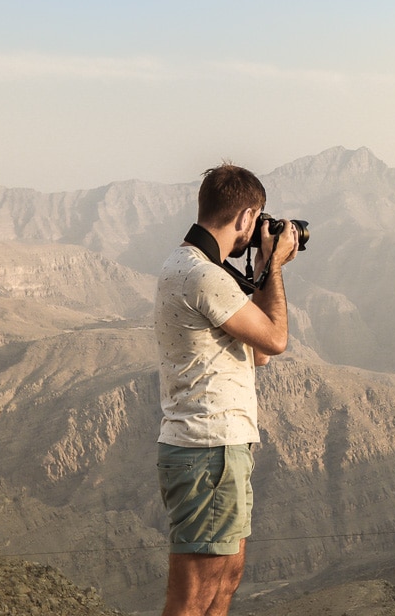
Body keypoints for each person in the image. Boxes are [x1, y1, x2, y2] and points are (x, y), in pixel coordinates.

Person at [154, 163, 299, 616]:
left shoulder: (201, 269)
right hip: (206, 451)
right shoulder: (204, 275)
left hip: (219, 450)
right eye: (257, 222)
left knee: (225, 582)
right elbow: (277, 338)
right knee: (194, 597)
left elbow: (258, 354)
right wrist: (272, 267)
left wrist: (260, 270)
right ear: (246, 217)